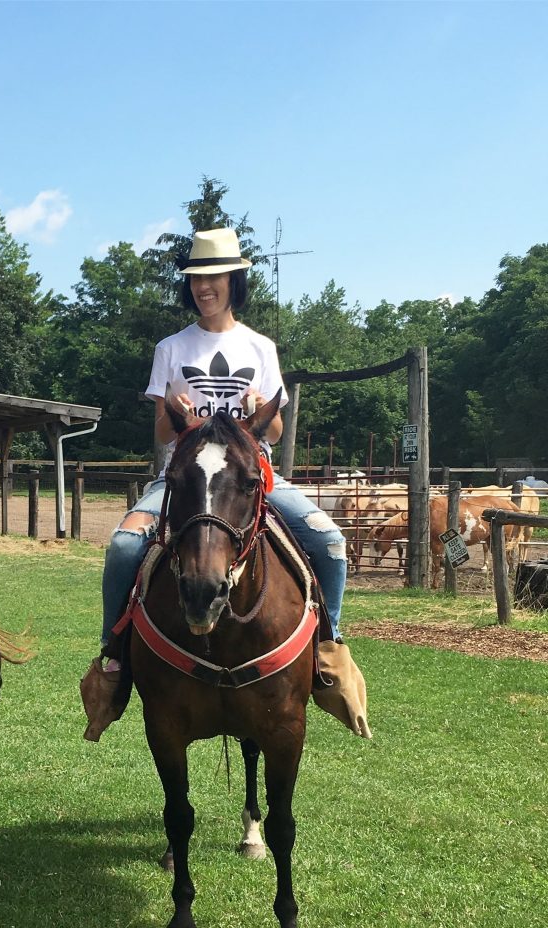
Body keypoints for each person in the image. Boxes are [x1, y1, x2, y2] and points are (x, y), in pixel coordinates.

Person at [80, 227, 370, 741]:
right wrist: (179, 415)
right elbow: (161, 433)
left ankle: (329, 647)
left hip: (249, 478)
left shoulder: (260, 346)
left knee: (329, 540)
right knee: (125, 545)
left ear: (234, 280)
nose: (202, 288)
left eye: (213, 278)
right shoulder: (170, 348)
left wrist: (263, 412)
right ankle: (115, 656)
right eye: (195, 279)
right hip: (187, 479)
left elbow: (275, 432)